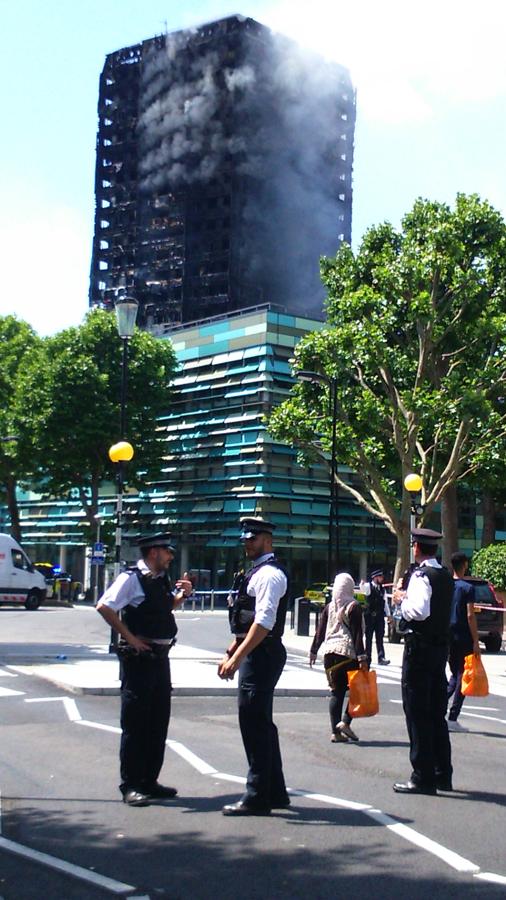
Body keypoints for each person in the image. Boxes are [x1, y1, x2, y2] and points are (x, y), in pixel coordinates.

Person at [96, 533, 193, 807]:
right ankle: (131, 785)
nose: (171, 556)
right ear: (153, 552)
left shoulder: (158, 579)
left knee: (158, 721)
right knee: (136, 724)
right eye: (167, 552)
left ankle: (150, 781)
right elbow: (105, 606)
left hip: (160, 658)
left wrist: (183, 595)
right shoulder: (131, 578)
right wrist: (130, 637)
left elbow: (164, 608)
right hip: (139, 659)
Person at [218, 517, 289, 816]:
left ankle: (257, 795)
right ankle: (274, 791)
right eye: (245, 538)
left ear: (268, 540)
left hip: (262, 654)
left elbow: (264, 622)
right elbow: (248, 620)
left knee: (254, 724)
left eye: (253, 538)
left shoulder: (270, 575)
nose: (247, 542)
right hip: (256, 652)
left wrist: (237, 657)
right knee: (261, 722)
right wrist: (234, 648)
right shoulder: (256, 573)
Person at [392, 528, 454, 795]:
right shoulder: (445, 575)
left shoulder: (421, 576)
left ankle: (422, 775)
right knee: (436, 713)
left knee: (417, 713)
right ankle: (442, 772)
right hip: (440, 650)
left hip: (419, 649)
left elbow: (418, 611)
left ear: (416, 547)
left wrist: (401, 599)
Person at [309, 572, 368, 742]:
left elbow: (319, 632)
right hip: (347, 653)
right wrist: (362, 659)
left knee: (336, 692)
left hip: (329, 654)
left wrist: (313, 651)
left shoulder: (329, 607)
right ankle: (346, 722)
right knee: (357, 690)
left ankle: (335, 732)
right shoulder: (353, 606)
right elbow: (357, 636)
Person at [447, 551, 480, 732]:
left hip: (448, 635)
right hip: (463, 635)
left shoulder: (447, 586)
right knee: (462, 675)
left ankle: (437, 707)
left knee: (454, 673)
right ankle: (453, 716)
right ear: (465, 564)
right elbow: (470, 615)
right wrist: (476, 640)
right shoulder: (468, 588)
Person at [359, 568, 390, 666]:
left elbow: (385, 603)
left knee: (379, 637)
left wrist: (389, 615)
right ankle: (367, 656)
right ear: (375, 577)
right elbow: (363, 589)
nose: (382, 578)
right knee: (369, 638)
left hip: (380, 617)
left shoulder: (382, 589)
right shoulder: (369, 586)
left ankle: (381, 657)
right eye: (380, 577)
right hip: (370, 616)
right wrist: (361, 585)